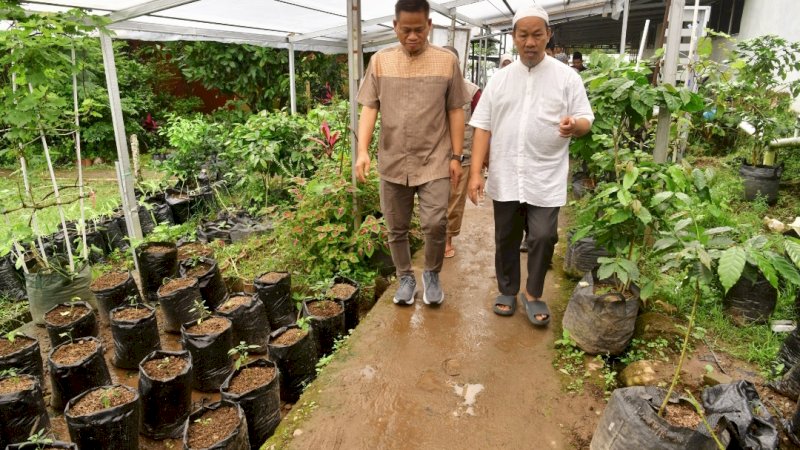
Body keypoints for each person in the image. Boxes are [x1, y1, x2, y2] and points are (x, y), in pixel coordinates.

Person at [467, 5, 594, 325]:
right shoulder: (499, 79)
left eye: (537, 34)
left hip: (545, 173)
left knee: (543, 236)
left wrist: (574, 125)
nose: (530, 42)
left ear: (548, 35)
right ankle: (508, 289)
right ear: (514, 38)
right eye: (523, 35)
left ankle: (534, 293)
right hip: (506, 173)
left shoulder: (567, 77)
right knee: (506, 236)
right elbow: (482, 125)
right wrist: (475, 173)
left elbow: (586, 119)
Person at [355, 0, 469, 306]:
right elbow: (369, 108)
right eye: (406, 30)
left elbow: (456, 110)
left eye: (419, 29)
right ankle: (405, 277)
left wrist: (457, 157)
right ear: (395, 26)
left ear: (429, 25)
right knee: (396, 226)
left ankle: (431, 273)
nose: (413, 36)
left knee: (435, 223)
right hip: (393, 159)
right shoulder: (380, 60)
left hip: (434, 159)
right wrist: (362, 151)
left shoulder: (446, 62)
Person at [442, 45, 482, 259]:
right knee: (436, 199)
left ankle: (447, 239)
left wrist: (481, 161)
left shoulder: (472, 91)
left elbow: (482, 126)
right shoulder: (433, 88)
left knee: (455, 200)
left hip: (463, 154)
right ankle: (436, 237)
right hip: (436, 155)